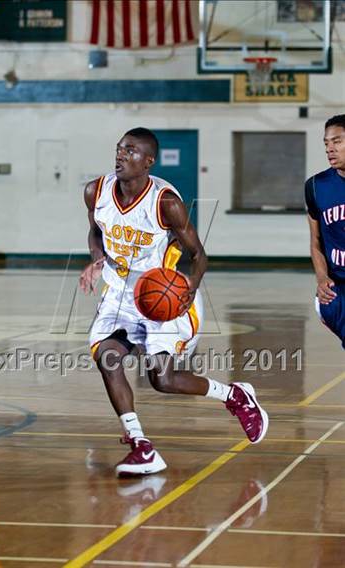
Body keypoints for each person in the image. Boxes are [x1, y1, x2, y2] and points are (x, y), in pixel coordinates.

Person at [80, 127, 268, 476]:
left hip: (159, 292)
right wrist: (96, 258)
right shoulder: (96, 190)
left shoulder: (166, 203)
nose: (121, 155)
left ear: (148, 162)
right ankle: (140, 444)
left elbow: (198, 255)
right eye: (120, 148)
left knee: (161, 380)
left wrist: (189, 290)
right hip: (119, 293)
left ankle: (234, 395)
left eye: (131, 151)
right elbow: (96, 230)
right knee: (107, 357)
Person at [305, 114, 345, 349]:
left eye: (337, 141)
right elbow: (315, 241)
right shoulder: (316, 186)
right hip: (337, 290)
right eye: (326, 143)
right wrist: (321, 277)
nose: (330, 148)